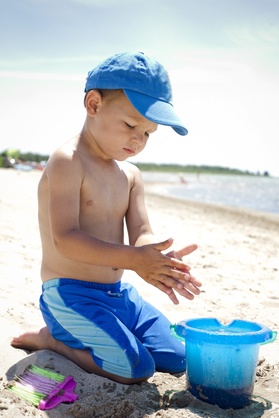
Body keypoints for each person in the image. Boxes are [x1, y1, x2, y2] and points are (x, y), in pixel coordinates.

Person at [11, 52, 201, 385]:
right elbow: (65, 238)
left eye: (148, 133)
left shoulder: (130, 175)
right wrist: (133, 259)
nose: (138, 140)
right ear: (94, 104)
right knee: (134, 368)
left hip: (118, 296)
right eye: (130, 125)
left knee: (179, 358)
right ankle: (52, 340)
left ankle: (111, 333)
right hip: (71, 296)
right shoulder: (68, 161)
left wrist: (155, 256)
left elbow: (141, 232)